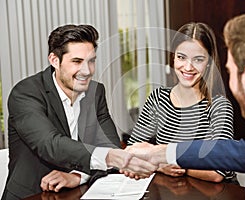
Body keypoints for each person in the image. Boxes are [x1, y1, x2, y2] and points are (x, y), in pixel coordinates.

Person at [125, 8, 245, 199]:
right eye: (181, 57)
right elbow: (240, 151)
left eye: (230, 71)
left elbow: (222, 168)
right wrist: (160, 154)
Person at [1, 24, 156, 200]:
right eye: (77, 61)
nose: (87, 71)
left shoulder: (95, 92)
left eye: (91, 61)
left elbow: (108, 145)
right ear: (54, 60)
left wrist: (78, 176)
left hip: (77, 193)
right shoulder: (26, 92)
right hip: (32, 194)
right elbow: (50, 144)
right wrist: (112, 157)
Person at [127, 22, 236, 183]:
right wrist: (159, 166)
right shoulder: (158, 98)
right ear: (173, 57)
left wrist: (174, 162)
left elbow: (217, 172)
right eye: (181, 57)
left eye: (198, 59)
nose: (188, 67)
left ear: (209, 63)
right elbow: (132, 152)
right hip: (174, 191)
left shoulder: (219, 107)